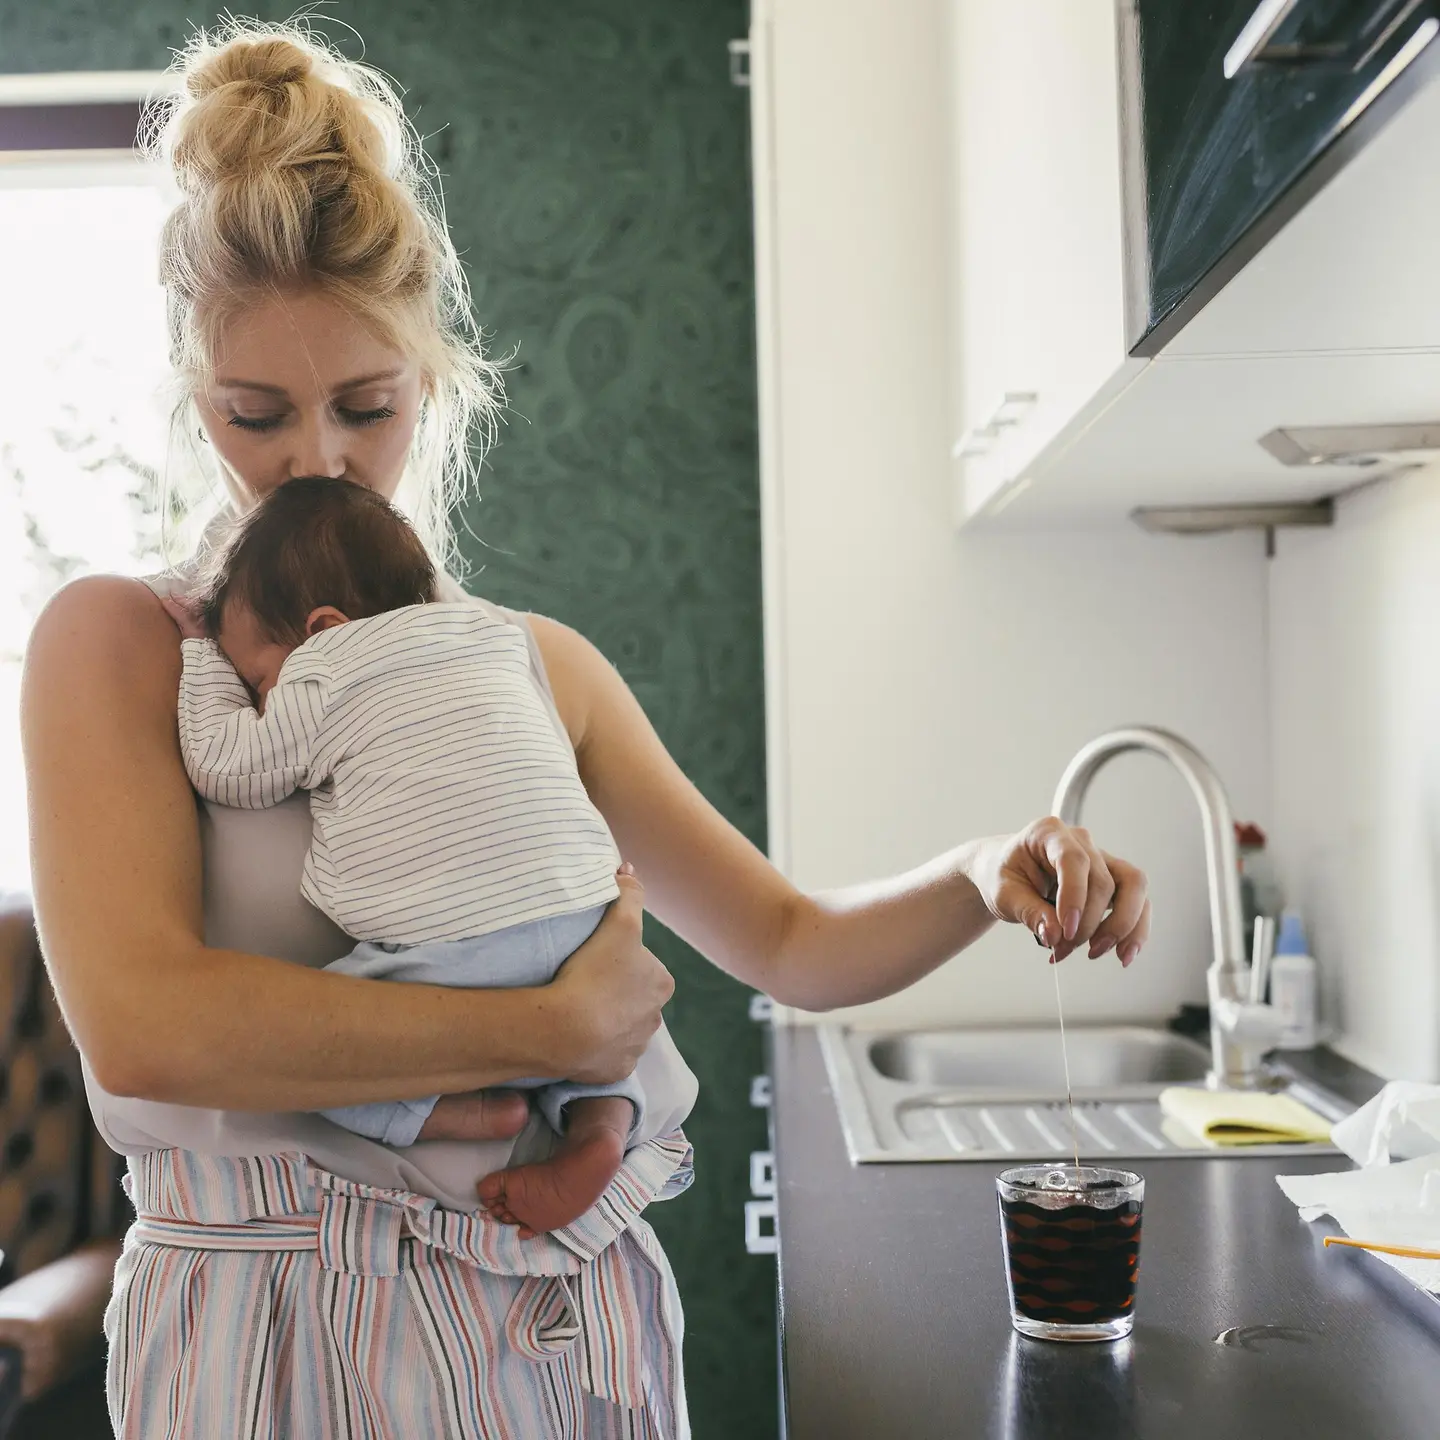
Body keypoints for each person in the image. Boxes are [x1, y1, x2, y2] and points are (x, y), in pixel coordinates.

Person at [20, 20, 1151, 1440]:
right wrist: (547, 1024)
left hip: (566, 1331)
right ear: (199, 404)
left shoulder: (538, 671)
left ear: (431, 386)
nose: (316, 460)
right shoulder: (123, 646)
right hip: (267, 1343)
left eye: (365, 407)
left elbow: (793, 944)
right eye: (259, 416)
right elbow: (145, 1029)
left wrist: (984, 870)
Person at [168, 474, 696, 1237]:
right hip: (584, 914)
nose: (260, 699)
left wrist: (201, 661)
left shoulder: (326, 669)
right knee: (625, 1039)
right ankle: (602, 1130)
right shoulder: (494, 637)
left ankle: (461, 1112)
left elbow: (228, 766)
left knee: (306, 1052)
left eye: (258, 678)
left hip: (455, 938)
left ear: (320, 628)